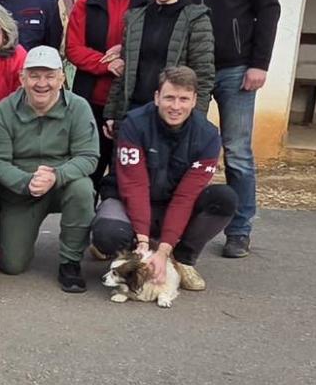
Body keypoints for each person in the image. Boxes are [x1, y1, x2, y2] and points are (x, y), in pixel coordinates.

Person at [176, 0, 281, 259]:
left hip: (237, 68)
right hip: (192, 71)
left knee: (236, 151)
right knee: (188, 149)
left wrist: (259, 63)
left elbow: (268, 8)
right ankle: (182, 224)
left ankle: (239, 229)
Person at [90, 66, 237, 293]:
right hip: (129, 200)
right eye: (169, 98)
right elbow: (134, 186)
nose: (176, 106)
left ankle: (182, 259)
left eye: (183, 99)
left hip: (172, 204)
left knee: (224, 198)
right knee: (108, 234)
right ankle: (134, 254)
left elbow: (185, 197)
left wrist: (164, 250)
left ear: (194, 100)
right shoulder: (133, 124)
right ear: (157, 97)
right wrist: (143, 242)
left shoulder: (208, 136)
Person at [0, 46, 100, 293]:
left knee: (82, 189)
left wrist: (56, 176)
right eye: (34, 76)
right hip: (21, 189)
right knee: (12, 265)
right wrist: (26, 182)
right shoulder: (4, 110)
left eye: (49, 76)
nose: (42, 83)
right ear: (22, 78)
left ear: (61, 78)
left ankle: (70, 262)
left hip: (63, 184)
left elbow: (88, 157)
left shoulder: (79, 107)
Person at [66, 0, 150, 187]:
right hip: (92, 100)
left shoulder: (150, 3)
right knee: (88, 170)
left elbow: (156, 44)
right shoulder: (86, 3)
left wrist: (126, 53)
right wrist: (107, 64)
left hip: (135, 99)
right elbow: (73, 49)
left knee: (127, 174)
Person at [104, 0, 215, 128]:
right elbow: (124, 71)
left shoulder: (196, 19)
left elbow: (203, 75)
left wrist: (196, 119)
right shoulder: (135, 19)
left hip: (173, 112)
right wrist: (111, 113)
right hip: (134, 111)